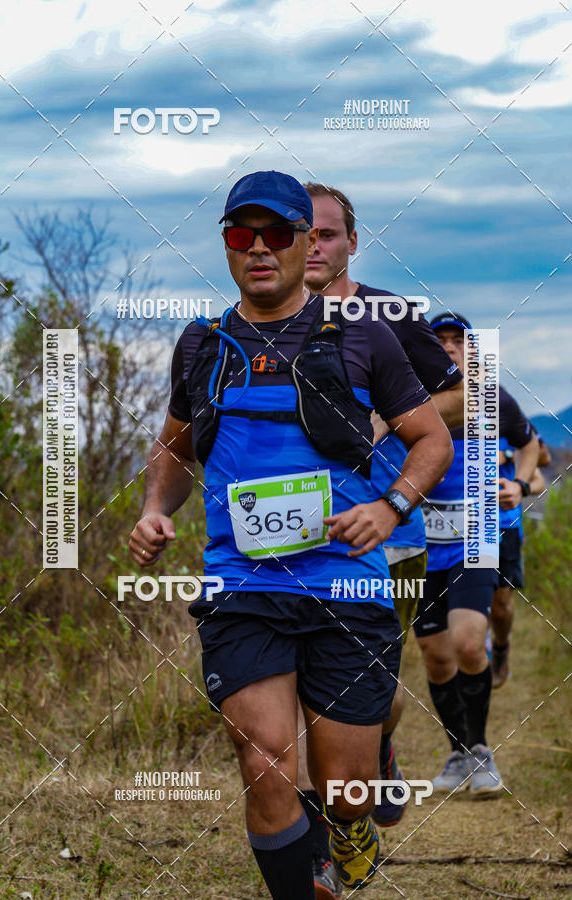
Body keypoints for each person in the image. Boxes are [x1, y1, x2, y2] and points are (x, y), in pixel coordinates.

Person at [129, 170, 453, 899]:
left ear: (308, 242)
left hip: (348, 582)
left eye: (278, 233)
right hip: (243, 585)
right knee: (267, 759)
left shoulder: (365, 337)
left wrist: (392, 506)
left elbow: (431, 438)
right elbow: (176, 448)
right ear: (226, 246)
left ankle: (351, 824)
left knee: (344, 790)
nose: (260, 249)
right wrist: (157, 508)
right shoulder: (202, 345)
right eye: (243, 236)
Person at [298, 182, 464, 896]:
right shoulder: (264, 316)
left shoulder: (389, 312)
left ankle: (381, 742)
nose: (313, 247)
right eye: (300, 233)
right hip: (296, 534)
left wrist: (391, 418)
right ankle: (320, 848)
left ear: (351, 242)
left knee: (374, 687)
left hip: (391, 529)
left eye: (328, 234)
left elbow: (458, 396)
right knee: (303, 689)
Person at [414, 312, 539, 797]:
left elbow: (531, 445)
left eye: (457, 340)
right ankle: (458, 751)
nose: (448, 347)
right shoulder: (409, 394)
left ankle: (482, 749)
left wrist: (520, 483)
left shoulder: (491, 397)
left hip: (479, 535)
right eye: (439, 340)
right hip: (423, 544)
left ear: (472, 351)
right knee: (436, 658)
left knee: (469, 643)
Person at [490, 430, 550, 687]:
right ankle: (472, 658)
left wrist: (508, 456)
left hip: (506, 527)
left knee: (500, 603)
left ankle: (500, 648)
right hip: (467, 527)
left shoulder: (511, 424)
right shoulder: (453, 424)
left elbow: (540, 472)